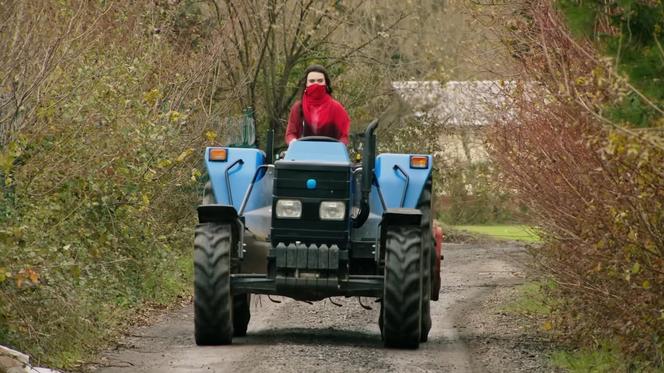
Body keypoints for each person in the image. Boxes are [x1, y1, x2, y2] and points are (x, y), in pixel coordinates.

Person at [285, 65, 350, 145]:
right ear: (306, 84)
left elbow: (344, 136)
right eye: (312, 81)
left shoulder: (337, 108)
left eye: (320, 81)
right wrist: (294, 143)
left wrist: (339, 146)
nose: (316, 84)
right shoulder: (297, 108)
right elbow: (290, 134)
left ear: (326, 83)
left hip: (330, 154)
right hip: (302, 154)